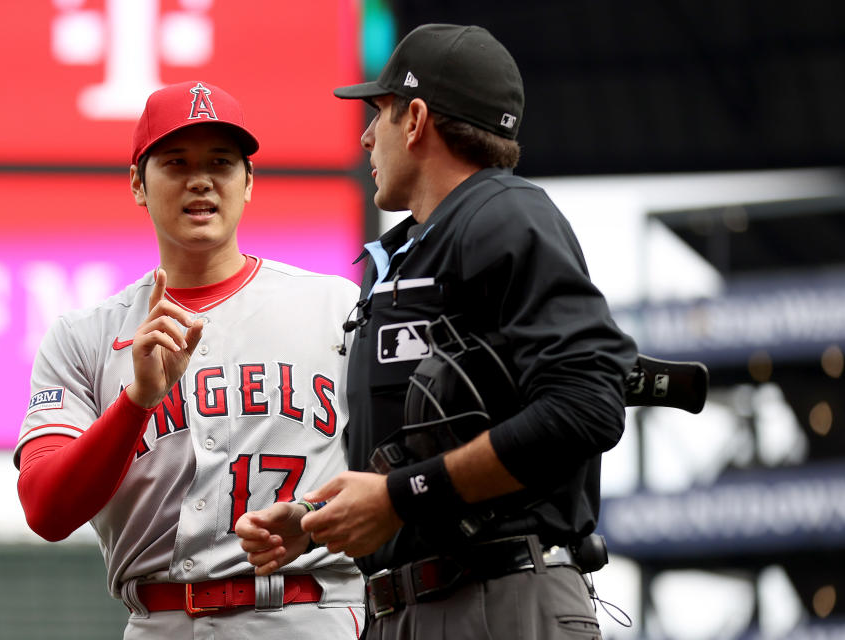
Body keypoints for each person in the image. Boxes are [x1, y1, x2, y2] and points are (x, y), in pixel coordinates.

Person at [236, 24, 638, 639]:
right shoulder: (416, 248)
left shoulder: (506, 212)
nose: (368, 136)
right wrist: (320, 520)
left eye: (379, 114)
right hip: (415, 605)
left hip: (500, 599)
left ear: (416, 119)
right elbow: (419, 449)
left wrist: (398, 497)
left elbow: (587, 406)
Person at [14, 81, 365, 639]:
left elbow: (393, 470)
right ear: (137, 183)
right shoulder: (84, 336)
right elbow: (45, 510)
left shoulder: (336, 308)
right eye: (175, 161)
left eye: (221, 162)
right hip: (161, 621)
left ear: (248, 182)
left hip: (307, 612)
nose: (199, 179)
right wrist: (137, 402)